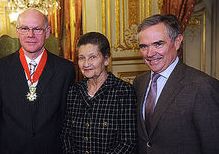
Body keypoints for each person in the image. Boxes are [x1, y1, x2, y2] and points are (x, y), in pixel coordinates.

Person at [0, 9, 75, 154]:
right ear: (18, 31)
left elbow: (67, 121)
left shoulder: (65, 69)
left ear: (47, 32)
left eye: (37, 29)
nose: (30, 35)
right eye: (25, 28)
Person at [133, 14, 219, 154]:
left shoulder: (203, 86)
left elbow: (213, 146)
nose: (150, 53)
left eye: (158, 44)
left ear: (177, 41)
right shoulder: (139, 83)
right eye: (144, 46)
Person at [61, 32, 137, 154]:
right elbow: (66, 136)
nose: (86, 64)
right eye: (81, 58)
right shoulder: (73, 91)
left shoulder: (123, 92)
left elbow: (128, 142)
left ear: (106, 60)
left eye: (92, 57)